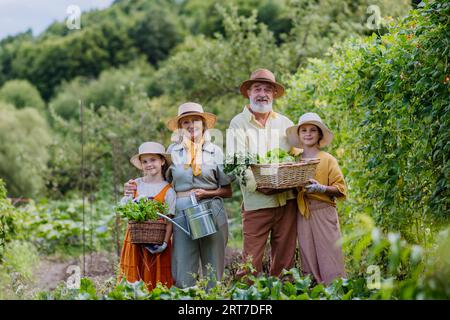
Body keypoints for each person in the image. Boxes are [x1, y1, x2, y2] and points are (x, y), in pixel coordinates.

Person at [226, 68, 299, 277]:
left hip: (286, 201)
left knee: (285, 260)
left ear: (274, 94)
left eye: (268, 89)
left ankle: (282, 293)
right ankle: (246, 296)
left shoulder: (285, 123)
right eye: (257, 88)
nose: (262, 93)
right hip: (256, 202)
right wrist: (261, 186)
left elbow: (297, 155)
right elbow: (237, 163)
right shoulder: (238, 123)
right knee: (250, 260)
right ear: (249, 92)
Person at [166, 102, 233, 288]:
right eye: (185, 122)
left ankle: (213, 296)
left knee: (213, 263)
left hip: (212, 208)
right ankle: (185, 298)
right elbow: (161, 182)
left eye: (195, 120)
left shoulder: (216, 151)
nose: (190, 125)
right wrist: (135, 186)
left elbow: (228, 190)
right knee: (183, 263)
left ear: (203, 124)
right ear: (180, 128)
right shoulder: (173, 152)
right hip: (181, 212)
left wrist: (207, 193)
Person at [286, 112, 347, 284]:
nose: (308, 133)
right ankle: (313, 291)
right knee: (308, 254)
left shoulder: (327, 159)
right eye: (303, 130)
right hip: (303, 212)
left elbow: (341, 189)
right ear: (298, 135)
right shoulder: (294, 161)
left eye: (313, 130)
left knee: (330, 255)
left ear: (319, 134)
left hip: (323, 211)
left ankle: (335, 289)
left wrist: (321, 188)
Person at [118, 141, 176, 291]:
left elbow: (169, 221)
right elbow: (124, 208)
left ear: (162, 161)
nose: (149, 164)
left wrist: (163, 243)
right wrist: (127, 195)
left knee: (155, 282)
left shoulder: (168, 190)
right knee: (133, 281)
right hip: (134, 241)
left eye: (153, 160)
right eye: (144, 161)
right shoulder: (135, 184)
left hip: (157, 244)